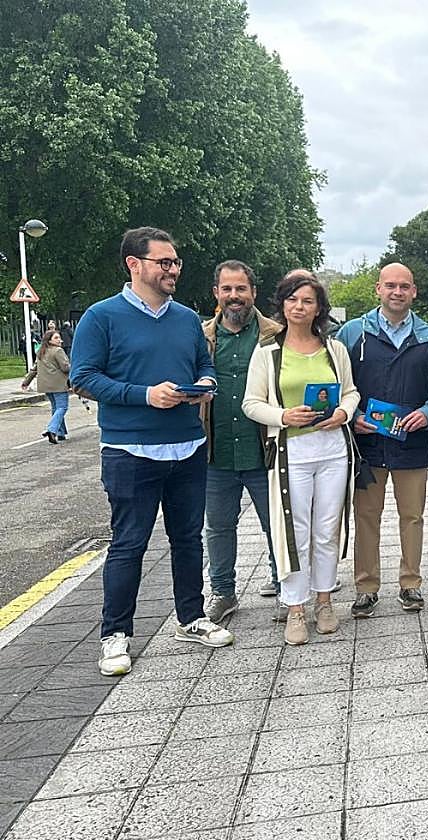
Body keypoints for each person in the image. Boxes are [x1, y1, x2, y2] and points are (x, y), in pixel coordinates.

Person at [71, 226, 233, 676]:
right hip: (130, 450)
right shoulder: (101, 317)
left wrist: (205, 384)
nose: (173, 269)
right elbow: (83, 377)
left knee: (188, 539)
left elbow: (204, 364)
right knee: (129, 544)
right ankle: (114, 635)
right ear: (133, 264)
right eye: (164, 262)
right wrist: (145, 395)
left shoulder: (186, 319)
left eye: (175, 262)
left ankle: (191, 618)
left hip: (188, 446)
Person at [242, 270, 359, 645]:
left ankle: (324, 601)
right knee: (295, 532)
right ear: (282, 304)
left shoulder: (334, 350)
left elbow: (351, 392)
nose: (299, 306)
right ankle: (295, 607)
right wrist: (283, 416)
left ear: (319, 308)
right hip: (291, 451)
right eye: (292, 299)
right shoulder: (267, 353)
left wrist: (343, 412)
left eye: (308, 300)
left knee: (327, 529)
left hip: (332, 450)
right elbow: (251, 403)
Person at [337, 262, 428, 617]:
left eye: (404, 286)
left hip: (412, 443)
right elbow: (338, 385)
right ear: (378, 289)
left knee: (412, 517)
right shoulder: (352, 334)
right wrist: (353, 415)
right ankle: (366, 588)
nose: (397, 292)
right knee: (366, 517)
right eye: (390, 285)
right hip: (367, 446)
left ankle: (410, 584)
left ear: (413, 291)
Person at [200, 260, 283, 624]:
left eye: (241, 289)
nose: (234, 296)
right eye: (227, 289)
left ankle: (285, 587)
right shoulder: (201, 337)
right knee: (218, 528)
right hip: (216, 451)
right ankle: (223, 593)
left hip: (263, 450)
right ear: (216, 293)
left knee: (276, 523)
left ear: (253, 293)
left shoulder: (276, 334)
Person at [21, 329, 71, 444]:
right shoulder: (58, 351)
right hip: (58, 384)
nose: (60, 340)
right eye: (56, 338)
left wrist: (26, 382)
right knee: (62, 407)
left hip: (46, 385)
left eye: (59, 338)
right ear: (49, 340)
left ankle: (60, 433)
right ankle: (52, 429)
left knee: (55, 408)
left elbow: (34, 369)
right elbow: (65, 368)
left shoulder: (41, 351)